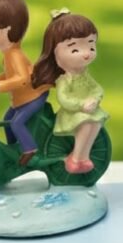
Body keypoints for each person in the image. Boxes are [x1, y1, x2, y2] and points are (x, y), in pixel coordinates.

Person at [0, 0, 51, 166]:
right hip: (21, 99)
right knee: (7, 121)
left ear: (6, 28)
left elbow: (22, 79)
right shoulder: (8, 54)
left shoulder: (15, 55)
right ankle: (13, 148)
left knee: (16, 122)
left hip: (33, 97)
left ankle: (30, 149)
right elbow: (10, 75)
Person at [32, 9, 108, 175]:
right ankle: (76, 158)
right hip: (71, 114)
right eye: (75, 50)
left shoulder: (84, 75)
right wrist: (81, 105)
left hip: (86, 110)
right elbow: (64, 99)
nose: (86, 54)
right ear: (56, 55)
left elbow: (96, 88)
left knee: (95, 123)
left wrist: (95, 99)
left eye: (91, 46)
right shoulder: (64, 80)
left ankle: (83, 156)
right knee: (87, 123)